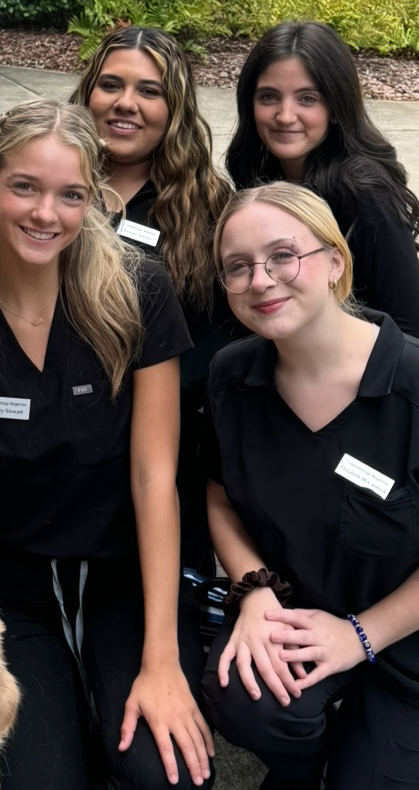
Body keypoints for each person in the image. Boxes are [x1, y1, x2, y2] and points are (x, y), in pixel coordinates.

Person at [0, 99, 213, 790]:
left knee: (168, 787)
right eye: (25, 188)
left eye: (71, 195)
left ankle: (108, 701)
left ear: (94, 199)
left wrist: (162, 661)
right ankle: (68, 711)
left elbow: (155, 479)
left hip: (118, 574)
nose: (46, 213)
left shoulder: (137, 292)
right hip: (11, 590)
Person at [200, 182, 419, 790]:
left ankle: (360, 749)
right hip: (300, 617)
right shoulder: (232, 377)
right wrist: (253, 591)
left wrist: (362, 637)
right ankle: (298, 765)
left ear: (336, 261)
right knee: (245, 699)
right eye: (238, 266)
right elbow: (219, 496)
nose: (261, 280)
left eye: (284, 255)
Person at [70, 25, 242, 582]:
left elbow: (230, 333)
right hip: (51, 443)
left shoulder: (211, 208)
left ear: (176, 108)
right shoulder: (47, 183)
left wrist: (150, 389)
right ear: (87, 93)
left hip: (167, 456)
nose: (126, 104)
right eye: (111, 85)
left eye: (149, 91)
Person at [227, 21, 419, 343]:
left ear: (336, 108)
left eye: (307, 99)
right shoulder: (258, 176)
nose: (284, 115)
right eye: (268, 97)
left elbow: (412, 333)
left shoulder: (364, 194)